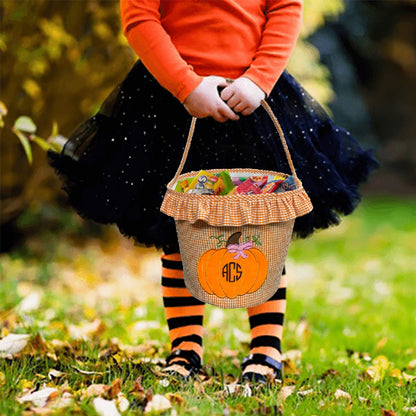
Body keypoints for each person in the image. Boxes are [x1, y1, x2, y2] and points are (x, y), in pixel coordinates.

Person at [48, 0, 379, 383]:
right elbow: (139, 18)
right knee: (178, 228)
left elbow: (286, 8)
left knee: (263, 228)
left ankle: (266, 349)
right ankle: (185, 348)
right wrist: (186, 86)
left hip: (253, 99)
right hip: (170, 103)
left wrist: (259, 80)